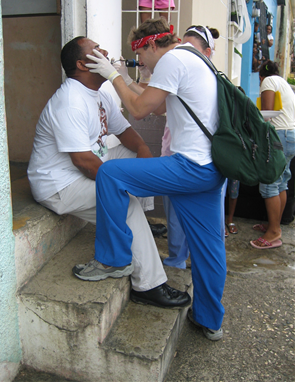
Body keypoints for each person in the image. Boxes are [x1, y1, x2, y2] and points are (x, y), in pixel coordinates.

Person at [83, 18, 226, 341]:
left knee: (110, 173)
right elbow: (159, 106)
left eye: (141, 57)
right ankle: (210, 320)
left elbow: (138, 110)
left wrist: (113, 75)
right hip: (210, 168)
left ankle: (114, 259)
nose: (141, 66)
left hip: (189, 167)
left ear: (150, 45)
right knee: (209, 248)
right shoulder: (194, 57)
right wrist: (126, 80)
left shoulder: (172, 59)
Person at [27, 36, 190, 309]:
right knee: (124, 204)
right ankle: (149, 285)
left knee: (137, 158)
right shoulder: (69, 100)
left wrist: (142, 151)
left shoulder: (100, 92)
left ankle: (141, 220)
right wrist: (120, 187)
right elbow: (82, 161)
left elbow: (125, 132)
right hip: (59, 183)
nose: (104, 51)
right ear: (82, 64)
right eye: (96, 50)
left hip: (91, 165)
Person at [162, 25, 220, 268]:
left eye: (192, 49)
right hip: (182, 156)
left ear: (207, 52)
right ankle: (179, 259)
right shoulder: (194, 73)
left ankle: (183, 261)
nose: (185, 53)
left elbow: (148, 107)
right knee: (177, 218)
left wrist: (117, 78)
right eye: (182, 46)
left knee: (195, 222)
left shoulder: (207, 77)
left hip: (195, 161)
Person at [251, 60, 295, 249]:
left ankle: (274, 232)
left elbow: (266, 114)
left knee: (269, 184)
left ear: (261, 77)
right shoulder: (283, 83)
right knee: (281, 183)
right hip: (290, 135)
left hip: (280, 137)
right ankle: (273, 224)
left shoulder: (268, 82)